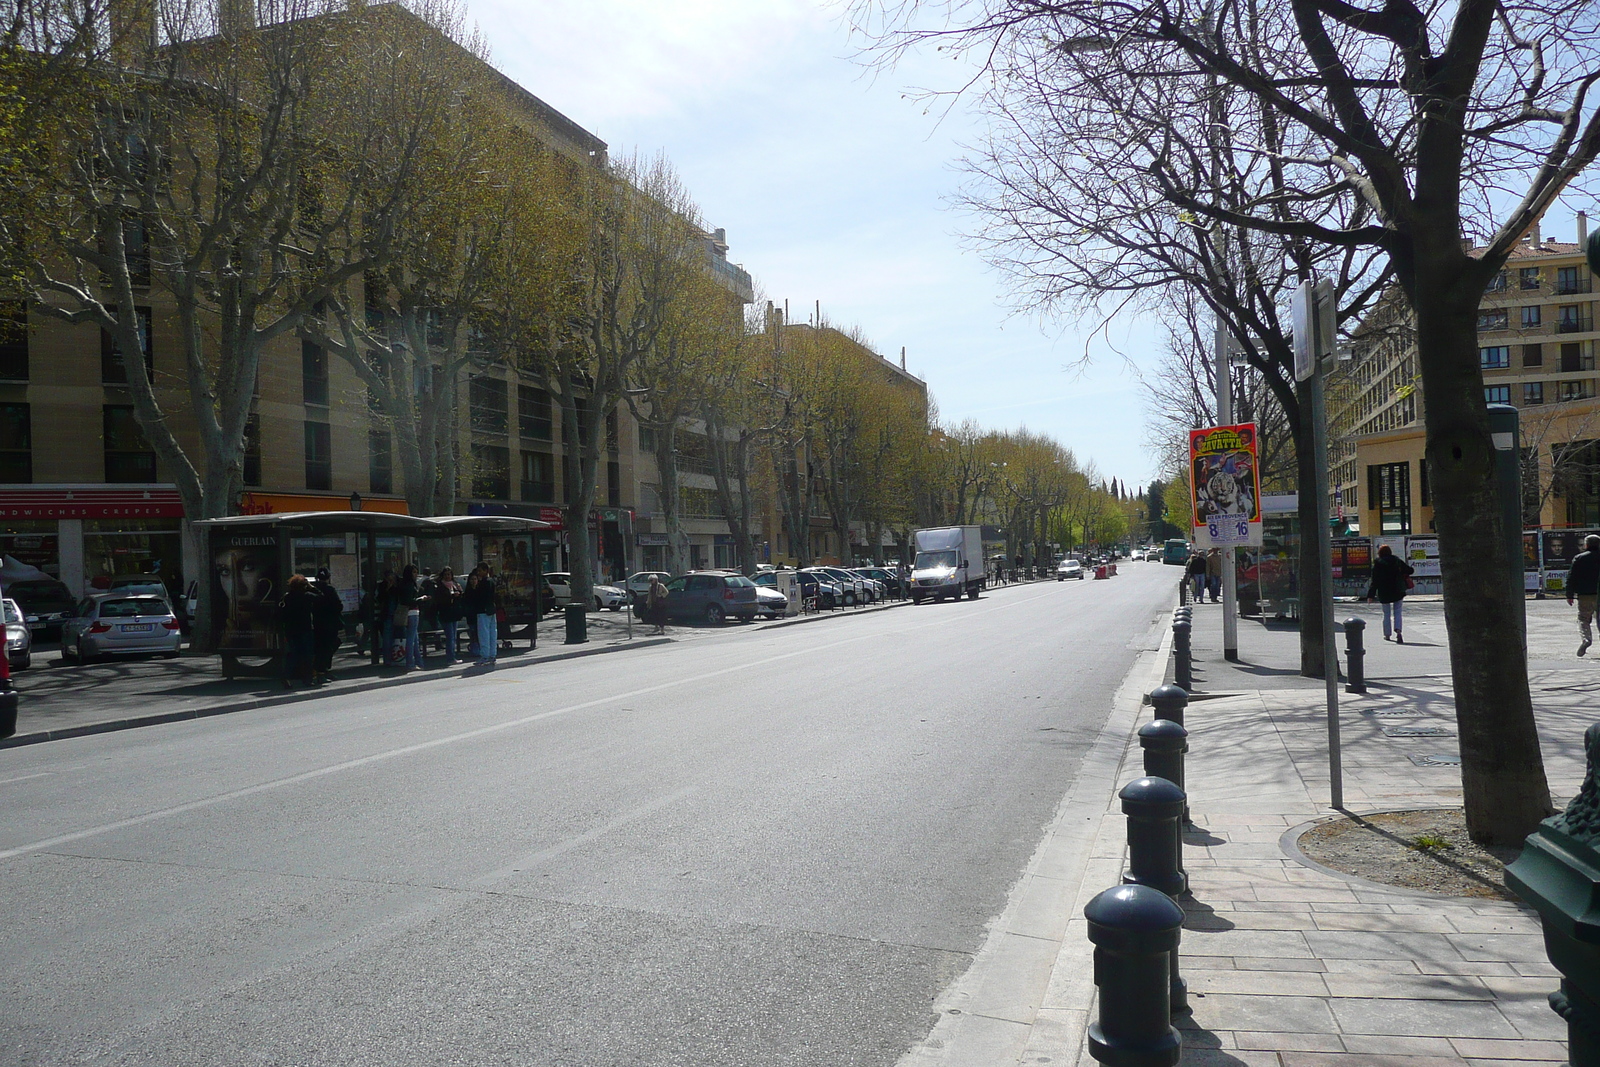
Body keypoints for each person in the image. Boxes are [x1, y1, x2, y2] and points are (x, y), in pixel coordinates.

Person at [1365, 543, 1415, 642]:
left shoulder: (1378, 564)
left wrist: (1370, 595)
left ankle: (1387, 634)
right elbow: (1410, 570)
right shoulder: (1397, 561)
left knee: (1386, 614)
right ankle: (1399, 631)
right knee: (1398, 612)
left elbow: (1374, 581)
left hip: (1384, 591)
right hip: (1397, 590)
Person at [278, 573, 317, 687]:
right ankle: (307, 679)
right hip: (305, 629)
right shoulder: (307, 595)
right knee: (307, 655)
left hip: (290, 630)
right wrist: (312, 587)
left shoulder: (287, 597)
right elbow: (322, 597)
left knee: (293, 654)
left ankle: (286, 675)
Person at [1567, 534, 1600, 656]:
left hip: (1584, 594)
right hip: (1599, 595)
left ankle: (1586, 639)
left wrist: (1569, 594)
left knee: (1583, 619)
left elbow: (1572, 577)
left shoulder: (1579, 558)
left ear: (1586, 545)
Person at [311, 568, 344, 683]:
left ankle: (322, 670)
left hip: (316, 623)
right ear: (328, 577)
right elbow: (338, 606)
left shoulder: (312, 589)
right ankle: (321, 671)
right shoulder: (330, 589)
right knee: (328, 647)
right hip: (330, 624)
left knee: (321, 647)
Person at [466, 562, 499, 666]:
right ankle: (492, 655)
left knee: (484, 634)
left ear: (486, 570)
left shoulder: (484, 582)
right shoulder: (492, 581)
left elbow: (479, 597)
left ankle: (485, 655)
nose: (479, 573)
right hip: (491, 610)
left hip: (482, 611)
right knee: (492, 633)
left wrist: (475, 589)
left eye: (480, 570)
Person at [398, 564, 425, 670]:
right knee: (411, 639)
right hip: (412, 611)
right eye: (414, 572)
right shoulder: (410, 585)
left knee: (414, 638)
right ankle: (410, 662)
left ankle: (419, 662)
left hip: (410, 612)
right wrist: (421, 599)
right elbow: (410, 601)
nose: (416, 574)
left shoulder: (404, 584)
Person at [434, 566, 463, 663]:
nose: (447, 576)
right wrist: (451, 596)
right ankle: (450, 657)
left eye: (449, 574)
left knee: (453, 636)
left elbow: (460, 597)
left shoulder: (454, 584)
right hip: (445, 614)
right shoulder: (440, 586)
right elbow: (440, 600)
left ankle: (452, 656)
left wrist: (459, 591)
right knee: (449, 636)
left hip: (453, 613)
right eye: (446, 574)